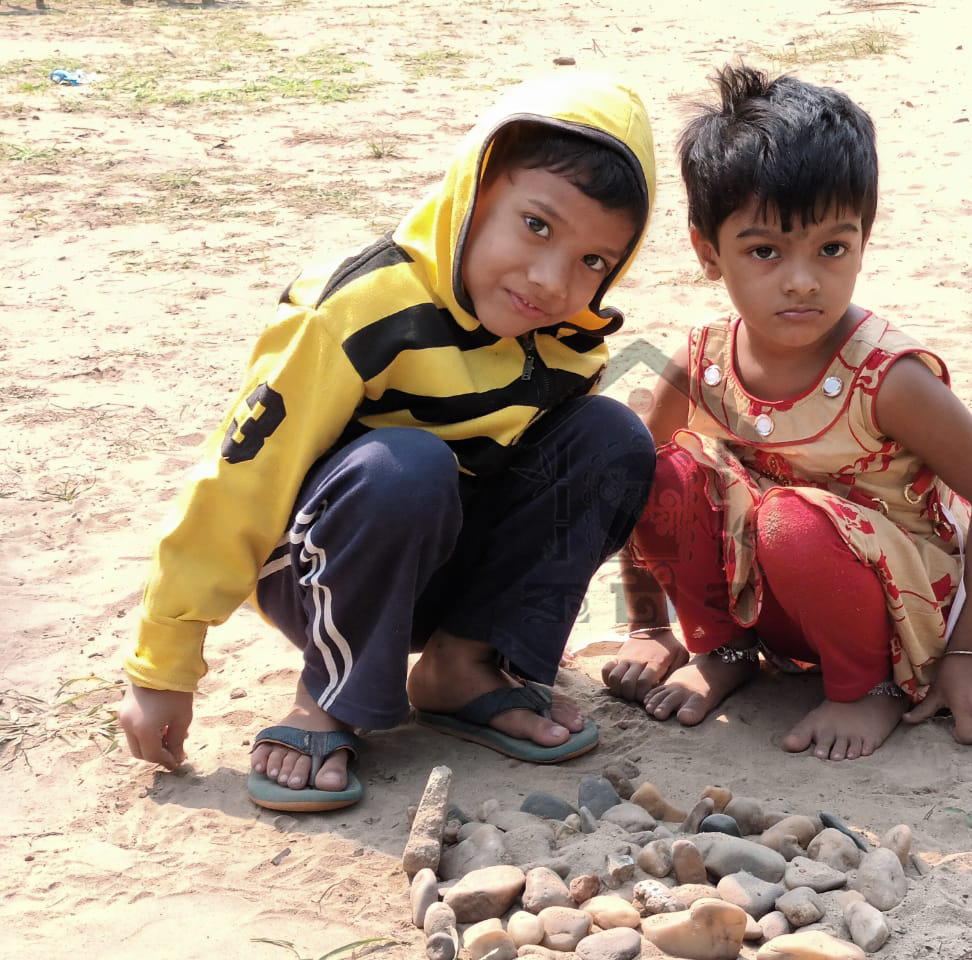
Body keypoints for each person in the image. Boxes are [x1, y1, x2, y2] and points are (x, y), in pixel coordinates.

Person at [117, 72, 659, 811]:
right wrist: (164, 667)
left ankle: (460, 665)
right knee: (408, 465)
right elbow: (241, 476)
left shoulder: (568, 344)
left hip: (439, 562)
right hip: (319, 563)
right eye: (537, 225)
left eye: (594, 261)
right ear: (474, 191)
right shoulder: (357, 310)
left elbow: (546, 503)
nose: (550, 278)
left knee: (611, 438)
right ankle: (328, 697)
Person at [601, 64, 972, 761]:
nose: (802, 280)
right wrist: (649, 625)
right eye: (764, 250)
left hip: (889, 613)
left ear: (864, 239)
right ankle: (724, 652)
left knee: (789, 520)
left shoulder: (887, 378)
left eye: (832, 248)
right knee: (657, 465)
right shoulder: (704, 359)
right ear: (709, 252)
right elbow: (632, 487)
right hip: (767, 604)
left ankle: (866, 691)